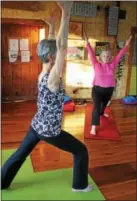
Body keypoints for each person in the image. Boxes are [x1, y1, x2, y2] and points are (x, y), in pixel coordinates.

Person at [1, 2, 92, 193]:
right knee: (81, 151)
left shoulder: (43, 72)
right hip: (50, 130)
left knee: (20, 153)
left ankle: (2, 181)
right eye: (57, 55)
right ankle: (80, 186)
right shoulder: (53, 78)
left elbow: (52, 46)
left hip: (36, 125)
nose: (61, 56)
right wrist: (66, 14)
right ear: (52, 57)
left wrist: (51, 26)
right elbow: (61, 45)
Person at [84, 29, 132, 135]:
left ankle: (102, 113)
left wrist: (127, 45)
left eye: (108, 56)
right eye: (104, 56)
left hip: (109, 90)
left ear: (110, 57)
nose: (106, 58)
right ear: (101, 56)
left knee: (104, 105)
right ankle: (93, 126)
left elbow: (120, 55)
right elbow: (91, 53)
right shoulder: (96, 64)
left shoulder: (113, 64)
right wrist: (87, 43)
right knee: (96, 107)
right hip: (97, 90)